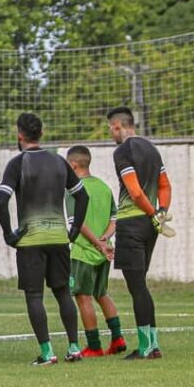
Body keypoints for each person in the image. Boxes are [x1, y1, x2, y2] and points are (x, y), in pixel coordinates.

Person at [0, 113, 89, 366]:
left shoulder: (18, 163)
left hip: (30, 240)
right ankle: (74, 348)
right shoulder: (60, 162)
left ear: (19, 135)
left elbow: (1, 201)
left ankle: (47, 352)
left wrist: (8, 234)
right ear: (41, 134)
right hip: (59, 239)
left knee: (35, 296)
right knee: (62, 293)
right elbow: (83, 197)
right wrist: (74, 229)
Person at [106, 106, 174, 359]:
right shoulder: (152, 149)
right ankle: (152, 344)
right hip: (150, 225)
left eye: (110, 129)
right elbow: (165, 185)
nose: (111, 134)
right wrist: (161, 211)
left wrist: (151, 212)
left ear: (117, 126)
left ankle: (146, 347)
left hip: (132, 223)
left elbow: (134, 192)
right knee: (141, 285)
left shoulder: (122, 151)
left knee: (137, 287)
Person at [65, 146, 126, 357]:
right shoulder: (103, 187)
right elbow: (114, 219)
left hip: (83, 252)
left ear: (73, 165)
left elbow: (77, 223)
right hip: (103, 252)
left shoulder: (74, 189)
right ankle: (118, 338)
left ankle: (94, 346)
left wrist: (97, 243)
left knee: (83, 297)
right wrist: (105, 239)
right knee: (102, 294)